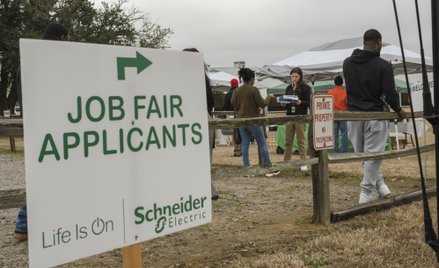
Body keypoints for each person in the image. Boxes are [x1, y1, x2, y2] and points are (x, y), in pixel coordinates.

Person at [14, 22, 69, 242]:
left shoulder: (30, 55)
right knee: (48, 175)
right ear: (62, 37)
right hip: (49, 122)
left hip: (36, 121)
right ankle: (24, 225)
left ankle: (25, 226)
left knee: (41, 174)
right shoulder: (49, 56)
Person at [343, 29, 407, 204]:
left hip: (353, 114)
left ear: (364, 42)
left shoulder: (347, 63)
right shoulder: (383, 65)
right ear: (378, 41)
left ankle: (380, 186)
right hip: (375, 114)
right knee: (373, 155)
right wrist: (399, 110)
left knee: (364, 156)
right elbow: (390, 94)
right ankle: (365, 193)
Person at [182, 48, 219, 200]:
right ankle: (208, 189)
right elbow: (210, 101)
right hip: (204, 118)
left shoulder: (180, 77)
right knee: (206, 157)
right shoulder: (203, 78)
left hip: (188, 121)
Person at [231, 67, 279, 176]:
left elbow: (232, 103)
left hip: (241, 121)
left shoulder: (237, 90)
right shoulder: (254, 89)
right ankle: (268, 167)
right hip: (254, 120)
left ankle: (247, 168)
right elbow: (262, 104)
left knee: (245, 144)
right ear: (251, 78)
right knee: (262, 143)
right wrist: (269, 97)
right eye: (254, 78)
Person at [281, 67, 311, 171]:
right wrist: (284, 104)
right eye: (293, 76)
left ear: (300, 76)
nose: (294, 78)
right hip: (289, 115)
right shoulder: (288, 88)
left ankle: (303, 163)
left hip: (300, 116)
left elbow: (309, 103)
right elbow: (286, 101)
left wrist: (301, 102)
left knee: (301, 140)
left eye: (296, 76)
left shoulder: (306, 88)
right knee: (288, 140)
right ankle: (286, 162)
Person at [327, 75, 348, 153]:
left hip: (334, 114)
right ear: (342, 83)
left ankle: (335, 150)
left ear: (334, 83)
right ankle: (344, 150)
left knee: (335, 133)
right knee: (344, 133)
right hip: (343, 114)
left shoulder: (329, 92)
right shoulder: (345, 92)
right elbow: (347, 103)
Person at [223, 78, 241, 157]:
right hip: (241, 115)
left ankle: (237, 151)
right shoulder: (241, 92)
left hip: (232, 116)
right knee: (242, 133)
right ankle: (241, 150)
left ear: (231, 84)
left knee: (235, 134)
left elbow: (225, 106)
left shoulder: (229, 93)